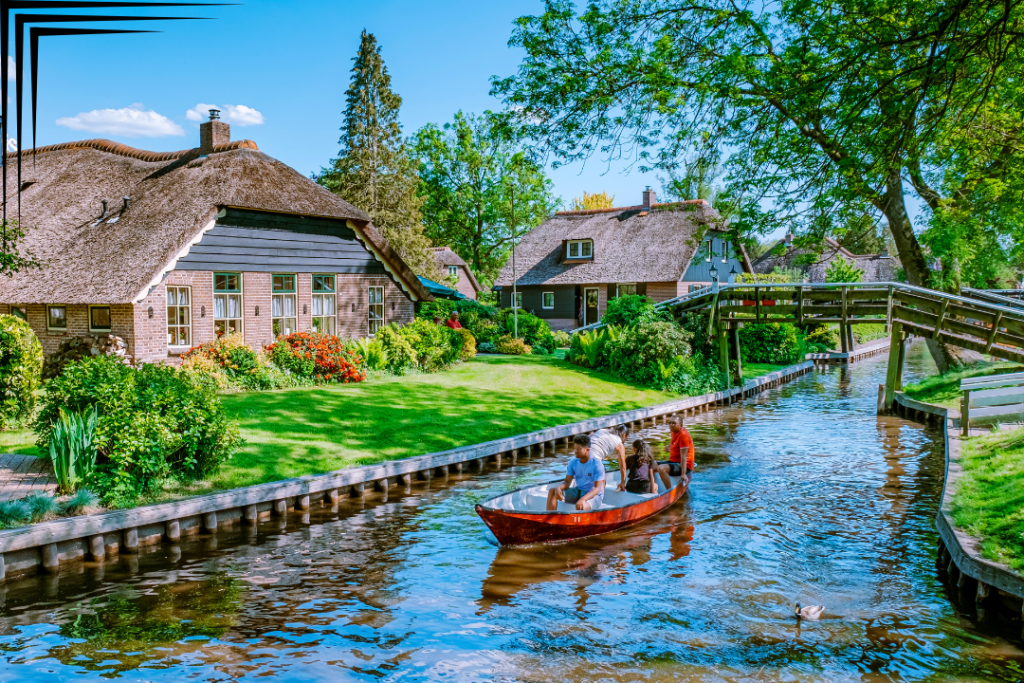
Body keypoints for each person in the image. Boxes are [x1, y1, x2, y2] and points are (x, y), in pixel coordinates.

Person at [547, 433, 606, 511]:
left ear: (587, 450)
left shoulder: (597, 465)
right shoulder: (573, 462)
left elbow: (597, 488)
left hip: (594, 496)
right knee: (553, 491)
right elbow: (567, 482)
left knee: (581, 505)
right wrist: (559, 488)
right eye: (575, 449)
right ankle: (550, 520)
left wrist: (583, 499)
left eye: (579, 449)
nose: (575, 452)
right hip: (579, 491)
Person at [588, 424, 630, 491]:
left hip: (580, 456)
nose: (626, 439)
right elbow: (623, 466)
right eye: (627, 437)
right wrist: (623, 483)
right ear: (624, 435)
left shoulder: (601, 431)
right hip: (594, 459)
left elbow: (589, 437)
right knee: (602, 485)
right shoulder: (619, 443)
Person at [659, 415, 694, 480]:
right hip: (673, 461)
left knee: (661, 468)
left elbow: (684, 457)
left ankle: (669, 489)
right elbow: (676, 444)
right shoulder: (673, 431)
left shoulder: (683, 436)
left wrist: (683, 474)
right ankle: (650, 487)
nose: (671, 425)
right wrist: (669, 447)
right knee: (651, 465)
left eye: (674, 423)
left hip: (685, 466)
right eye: (669, 423)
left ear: (681, 425)